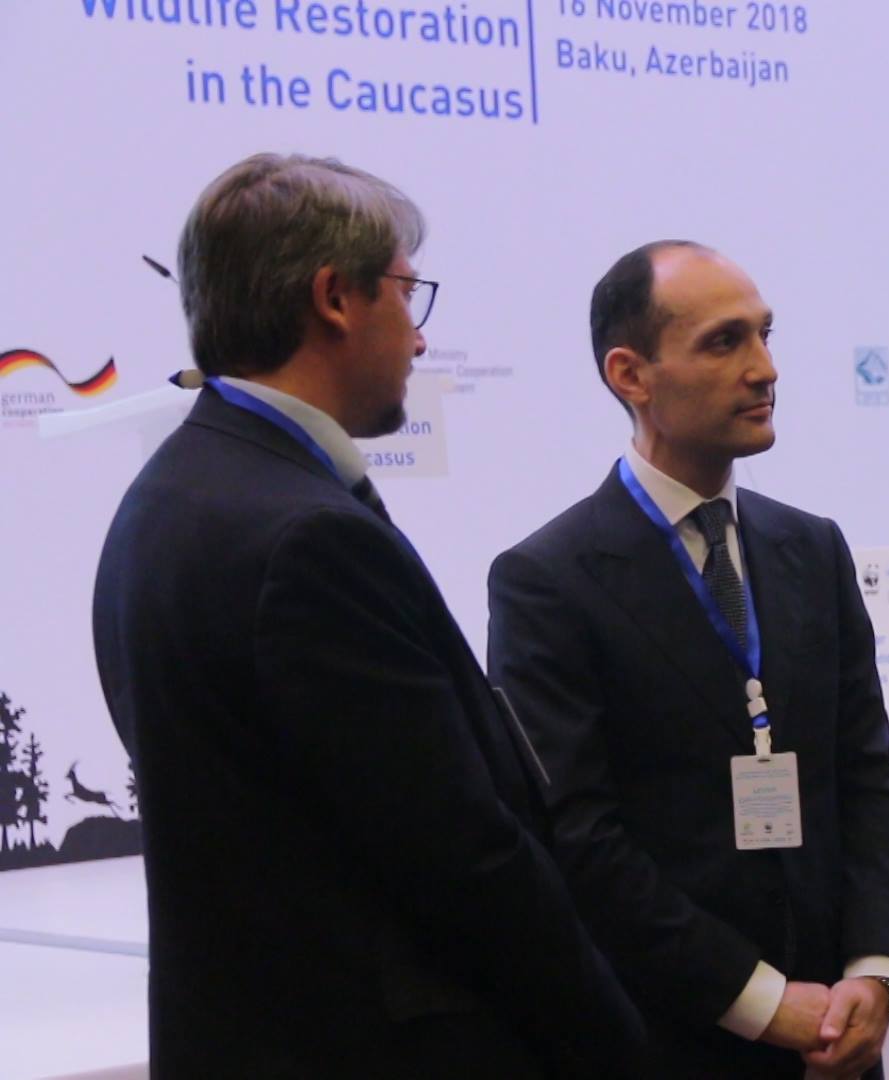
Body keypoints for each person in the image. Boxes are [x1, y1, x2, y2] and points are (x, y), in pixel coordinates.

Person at [91, 154, 650, 1076]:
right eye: (406, 293)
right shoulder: (306, 538)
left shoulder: (168, 495)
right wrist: (616, 1042)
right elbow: (458, 858)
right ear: (335, 299)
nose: (421, 340)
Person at [487, 241, 889, 1078]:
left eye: (765, 335)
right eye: (725, 342)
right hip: (672, 1035)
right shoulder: (548, 580)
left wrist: (875, 968)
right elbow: (580, 838)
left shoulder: (812, 547)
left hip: (839, 1032)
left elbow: (866, 775)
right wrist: (760, 1001)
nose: (765, 369)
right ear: (631, 375)